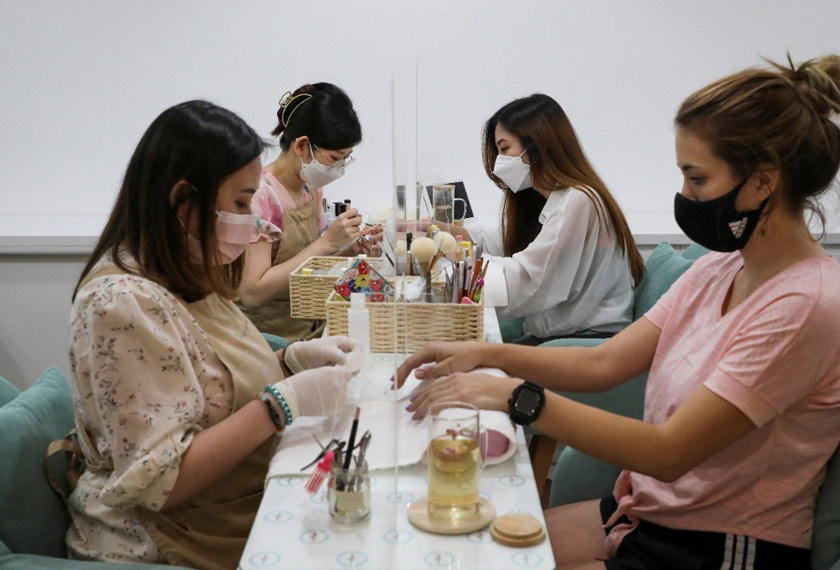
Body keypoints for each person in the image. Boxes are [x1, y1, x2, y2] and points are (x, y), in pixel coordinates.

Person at [394, 54, 840, 570]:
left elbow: (669, 452)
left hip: (716, 545)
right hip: (648, 510)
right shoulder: (718, 271)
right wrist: (482, 353)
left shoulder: (805, 305)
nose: (684, 196)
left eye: (696, 179)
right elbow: (603, 364)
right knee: (463, 551)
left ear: (764, 182)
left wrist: (517, 396)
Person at [66, 100, 363, 569]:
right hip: (162, 538)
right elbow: (161, 479)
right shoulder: (120, 303)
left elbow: (210, 374)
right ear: (185, 199)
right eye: (242, 203)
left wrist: (292, 360)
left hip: (227, 503)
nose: (254, 223)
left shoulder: (185, 267)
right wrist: (281, 404)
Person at [431, 94, 644, 344]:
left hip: (583, 343)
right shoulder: (556, 200)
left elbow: (529, 279)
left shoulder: (580, 200)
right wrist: (429, 228)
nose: (499, 163)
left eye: (505, 148)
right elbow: (502, 242)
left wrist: (458, 258)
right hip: (562, 337)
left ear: (536, 145)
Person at [237, 82, 382, 340]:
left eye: (346, 159)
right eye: (335, 159)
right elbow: (253, 293)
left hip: (310, 331)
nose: (340, 169)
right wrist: (327, 243)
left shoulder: (309, 189)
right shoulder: (261, 195)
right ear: (302, 146)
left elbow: (306, 269)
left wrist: (349, 250)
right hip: (268, 340)